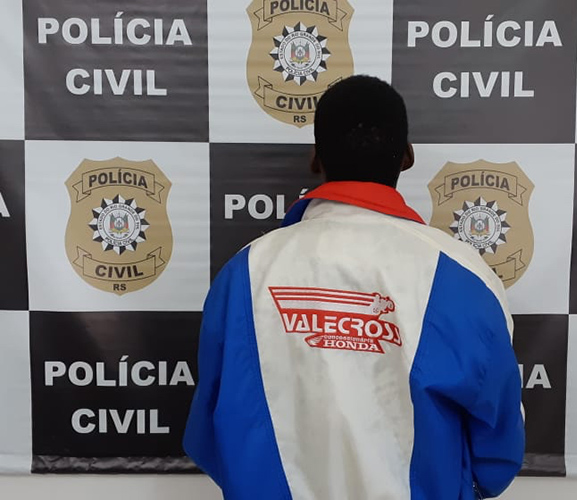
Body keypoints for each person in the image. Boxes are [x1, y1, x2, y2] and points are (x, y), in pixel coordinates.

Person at [183, 75, 524, 500]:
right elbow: (497, 453)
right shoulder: (465, 276)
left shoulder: (245, 273)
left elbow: (210, 435)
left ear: (315, 158)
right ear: (407, 157)